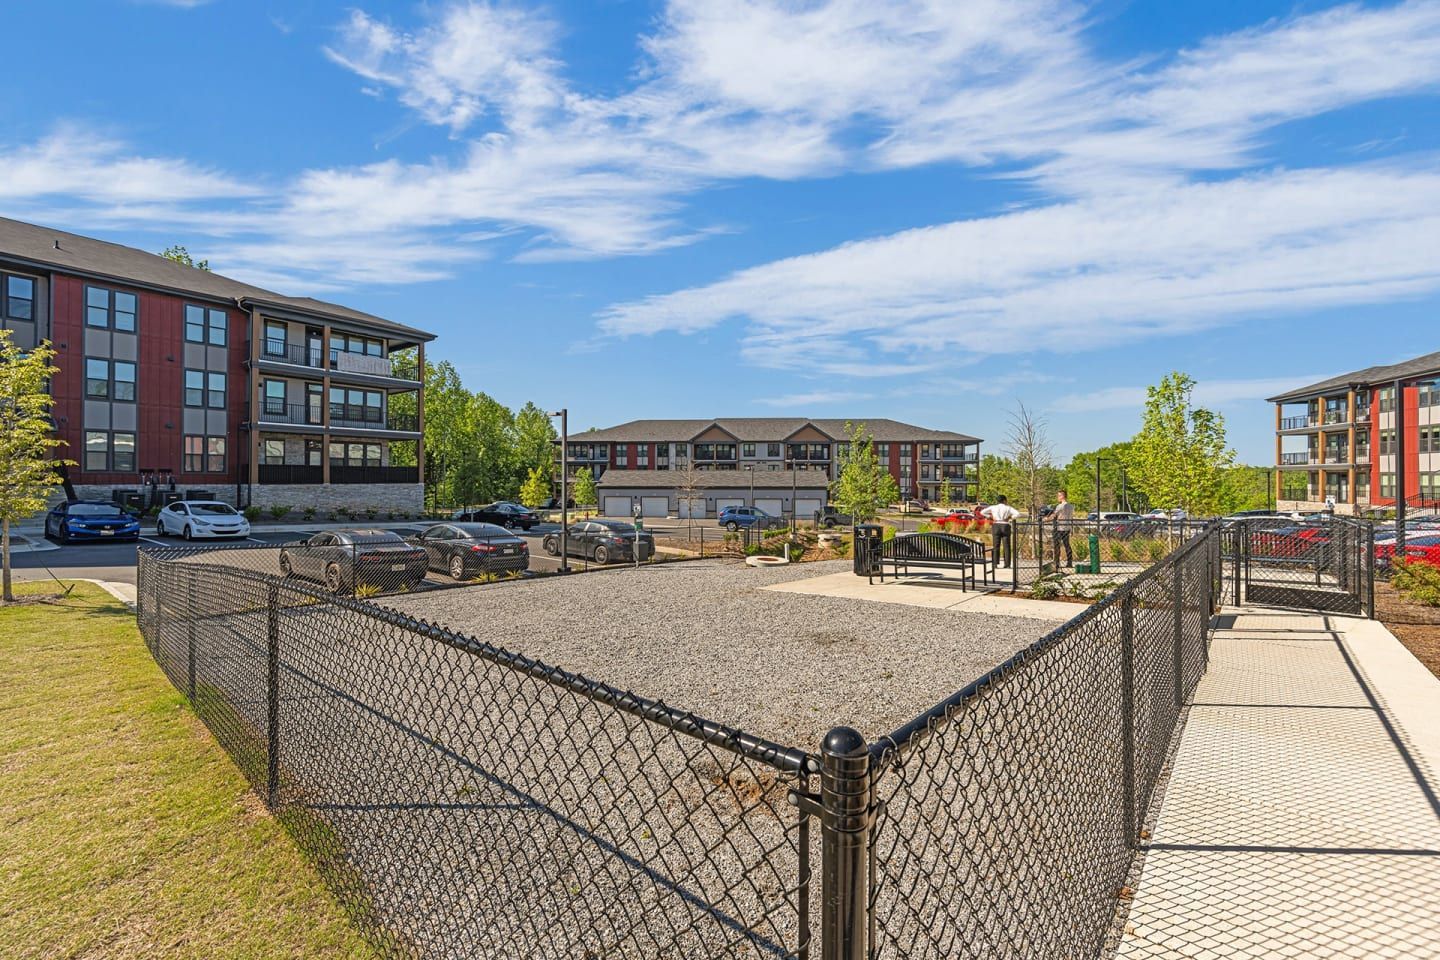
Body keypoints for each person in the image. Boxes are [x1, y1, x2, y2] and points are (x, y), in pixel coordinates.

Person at [982, 495, 1020, 567]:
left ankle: (995, 563)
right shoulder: (1008, 508)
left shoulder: (993, 507)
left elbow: (982, 512)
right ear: (1004, 500)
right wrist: (1010, 517)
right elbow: (1018, 514)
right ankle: (1007, 564)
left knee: (996, 545)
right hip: (1005, 525)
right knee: (1007, 546)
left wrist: (990, 517)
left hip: (996, 525)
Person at [1052, 490, 1075, 565]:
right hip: (1067, 528)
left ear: (1062, 496)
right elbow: (1071, 517)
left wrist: (1045, 519)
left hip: (1059, 528)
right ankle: (1069, 562)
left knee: (1057, 546)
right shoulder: (1071, 506)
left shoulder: (1060, 506)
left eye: (1059, 496)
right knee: (1067, 545)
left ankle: (1057, 563)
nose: (1057, 497)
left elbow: (1054, 515)